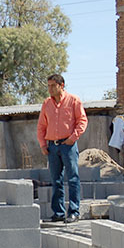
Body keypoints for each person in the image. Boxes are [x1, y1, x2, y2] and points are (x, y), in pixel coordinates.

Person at [37, 74, 88, 223]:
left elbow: (82, 121)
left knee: (73, 178)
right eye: (48, 86)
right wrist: (43, 144)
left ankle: (74, 212)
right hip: (52, 146)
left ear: (62, 85)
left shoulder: (73, 101)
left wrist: (73, 137)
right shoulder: (46, 104)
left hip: (68, 145)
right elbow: (41, 126)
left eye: (53, 85)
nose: (50, 89)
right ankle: (58, 212)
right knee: (56, 180)